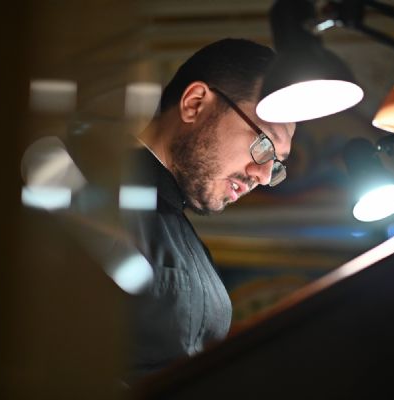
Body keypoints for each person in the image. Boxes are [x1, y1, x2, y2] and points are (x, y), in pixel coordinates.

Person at [121, 38, 296, 383]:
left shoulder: (193, 245)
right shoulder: (95, 196)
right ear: (195, 103)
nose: (263, 176)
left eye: (277, 163)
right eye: (264, 143)